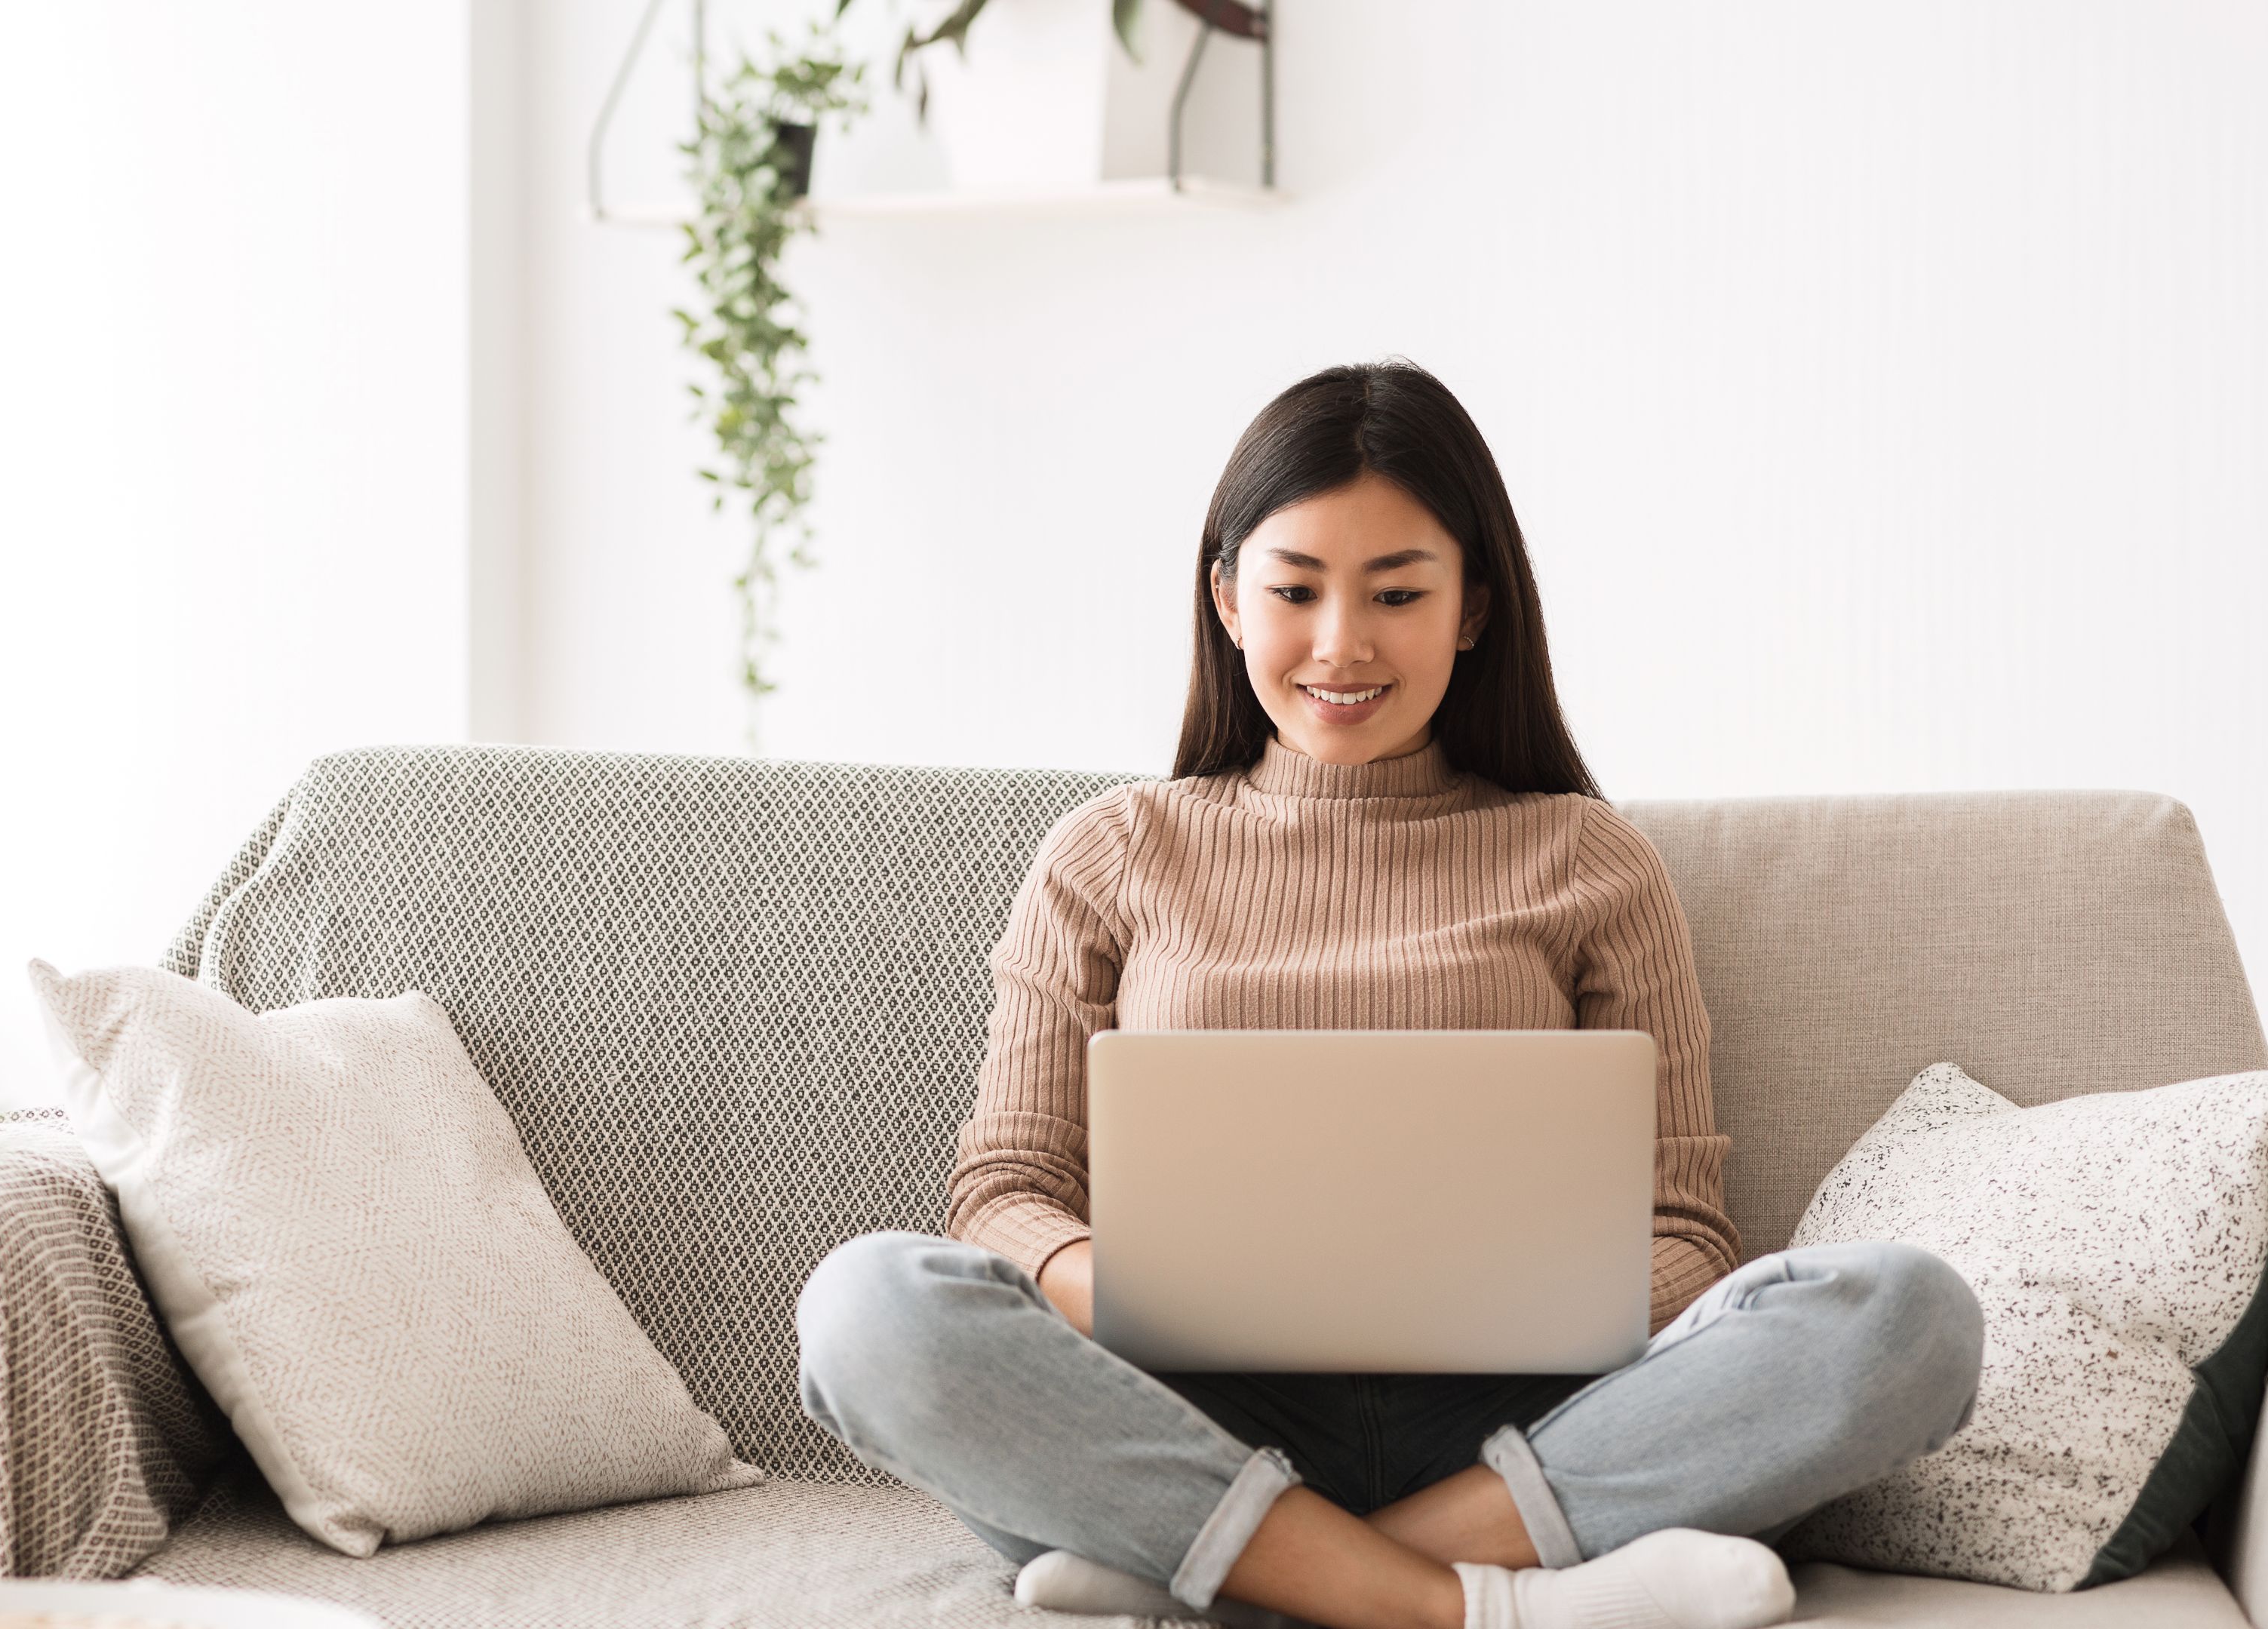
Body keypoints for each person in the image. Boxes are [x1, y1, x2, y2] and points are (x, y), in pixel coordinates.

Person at [791, 361, 1985, 1629]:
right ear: (1228, 602)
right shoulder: (1113, 852)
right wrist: (1158, 1289)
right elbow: (1003, 1201)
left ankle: (1247, 1580)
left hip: (1524, 1429)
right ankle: (1472, 1607)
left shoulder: (1588, 859)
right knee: (869, 1307)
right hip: (1184, 1413)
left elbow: (1687, 1238)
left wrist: (1518, 1298)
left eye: (1398, 593)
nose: (1341, 644)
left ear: (1473, 607)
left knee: (1906, 1317)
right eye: (1294, 591)